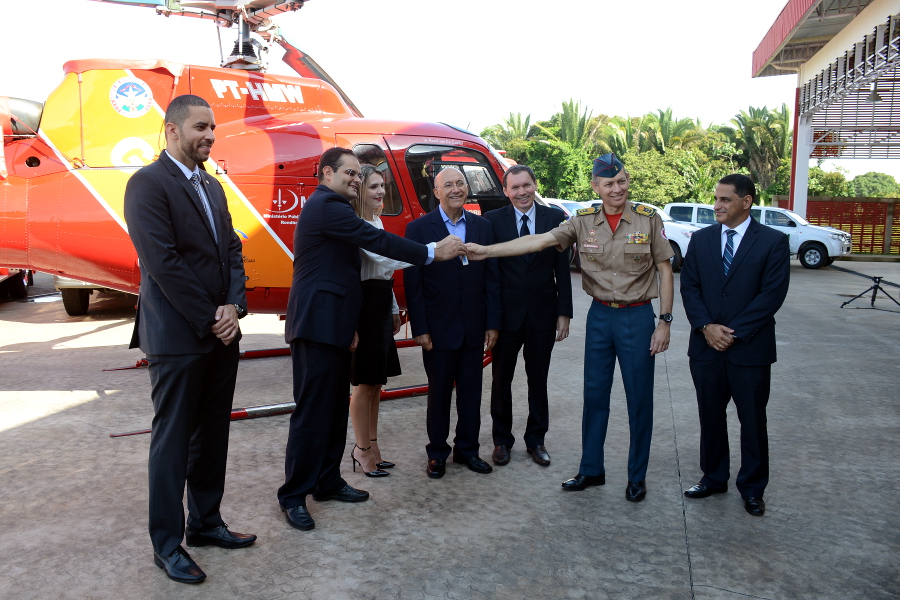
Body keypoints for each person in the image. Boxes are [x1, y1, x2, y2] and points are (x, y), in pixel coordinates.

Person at [466, 153, 674, 502]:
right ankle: (591, 469)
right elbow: (538, 241)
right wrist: (486, 251)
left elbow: (665, 270)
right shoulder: (581, 221)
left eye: (622, 181)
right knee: (594, 397)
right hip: (600, 316)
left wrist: (664, 321)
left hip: (637, 316)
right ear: (596, 187)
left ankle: (636, 476)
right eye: (609, 183)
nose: (617, 189)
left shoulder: (647, 219)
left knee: (639, 401)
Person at [278, 147, 466, 532]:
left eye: (357, 174)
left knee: (334, 409)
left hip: (334, 323)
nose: (355, 179)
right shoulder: (328, 206)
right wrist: (431, 251)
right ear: (326, 173)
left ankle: (327, 482)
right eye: (349, 172)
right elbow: (377, 243)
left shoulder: (336, 208)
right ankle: (293, 495)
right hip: (315, 324)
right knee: (312, 414)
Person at [124, 94, 255, 585]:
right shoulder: (147, 184)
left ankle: (206, 524)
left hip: (221, 333)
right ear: (173, 130)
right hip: (178, 337)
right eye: (201, 126)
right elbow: (163, 262)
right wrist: (210, 317)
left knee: (212, 435)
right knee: (173, 442)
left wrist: (234, 306)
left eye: (213, 128)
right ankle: (167, 545)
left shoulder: (213, 186)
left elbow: (232, 250)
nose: (210, 136)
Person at [679, 174, 790, 517]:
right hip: (706, 347)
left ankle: (753, 489)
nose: (717, 205)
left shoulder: (773, 241)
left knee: (752, 420)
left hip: (750, 349)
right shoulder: (701, 239)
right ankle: (713, 478)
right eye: (716, 198)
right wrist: (706, 327)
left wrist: (732, 332)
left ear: (746, 201)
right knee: (710, 416)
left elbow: (771, 294)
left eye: (725, 199)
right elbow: (690, 287)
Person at [404, 166, 502, 479]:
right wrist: (420, 327)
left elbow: (492, 278)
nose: (456, 189)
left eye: (460, 183)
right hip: (438, 329)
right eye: (448, 185)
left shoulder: (482, 226)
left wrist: (492, 323)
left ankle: (467, 450)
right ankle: (437, 453)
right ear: (436, 192)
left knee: (471, 394)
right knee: (439, 395)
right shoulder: (418, 229)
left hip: (474, 326)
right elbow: (413, 284)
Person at [484, 165, 573, 467]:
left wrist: (564, 312)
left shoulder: (554, 218)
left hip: (542, 314)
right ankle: (502, 440)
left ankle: (536, 439)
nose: (522, 192)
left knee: (538, 380)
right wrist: (491, 320)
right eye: (515, 187)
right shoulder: (492, 220)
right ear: (506, 191)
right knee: (501, 380)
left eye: (526, 185)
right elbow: (490, 273)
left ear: (535, 185)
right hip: (506, 317)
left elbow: (562, 269)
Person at [348, 165, 410, 477]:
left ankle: (372, 446)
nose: (381, 191)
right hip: (364, 307)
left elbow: (385, 272)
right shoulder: (357, 224)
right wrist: (430, 254)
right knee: (363, 383)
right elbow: (385, 259)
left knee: (376, 383)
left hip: (381, 302)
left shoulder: (377, 220)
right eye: (373, 186)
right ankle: (361, 449)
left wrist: (394, 308)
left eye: (382, 186)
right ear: (359, 190)